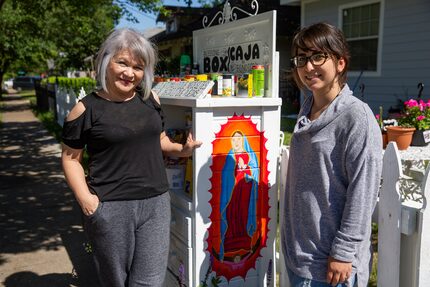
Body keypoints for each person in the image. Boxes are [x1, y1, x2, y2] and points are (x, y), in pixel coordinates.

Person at [61, 28, 202, 287]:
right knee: (116, 281)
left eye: (138, 67)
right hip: (111, 206)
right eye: (122, 62)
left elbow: (159, 141)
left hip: (156, 204)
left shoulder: (150, 100)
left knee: (149, 281)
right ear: (106, 61)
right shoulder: (85, 109)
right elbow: (71, 159)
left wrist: (182, 150)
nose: (130, 73)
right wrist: (86, 201)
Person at [281, 22, 382, 287]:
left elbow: (364, 189)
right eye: (302, 58)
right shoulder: (307, 110)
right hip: (300, 258)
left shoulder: (356, 117)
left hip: (332, 269)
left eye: (317, 56)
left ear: (340, 62)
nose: (308, 66)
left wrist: (343, 252)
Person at [219, 130, 259, 262]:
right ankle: (229, 248)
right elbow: (225, 174)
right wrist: (236, 167)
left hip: (245, 193)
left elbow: (255, 172)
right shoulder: (230, 155)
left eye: (238, 139)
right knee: (231, 216)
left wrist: (246, 168)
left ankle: (245, 245)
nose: (236, 142)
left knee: (243, 217)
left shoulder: (250, 154)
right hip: (232, 193)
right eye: (234, 139)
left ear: (243, 141)